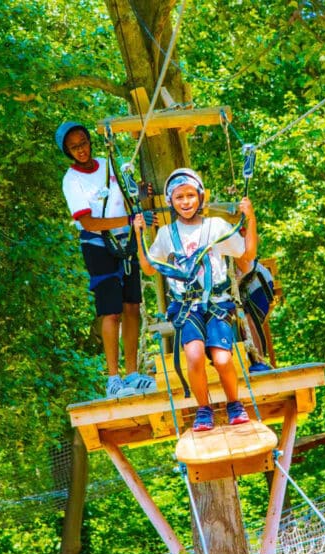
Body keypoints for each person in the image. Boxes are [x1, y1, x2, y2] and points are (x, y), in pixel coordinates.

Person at [132, 168, 257, 431]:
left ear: (200, 197)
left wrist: (250, 218)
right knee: (195, 355)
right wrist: (138, 233)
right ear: (170, 201)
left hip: (217, 303)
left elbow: (247, 252)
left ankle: (235, 403)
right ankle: (203, 409)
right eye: (179, 197)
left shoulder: (216, 227)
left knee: (223, 360)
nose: (186, 202)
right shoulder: (166, 234)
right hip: (187, 308)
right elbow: (148, 267)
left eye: (190, 195)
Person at [55, 121, 156, 398]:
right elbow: (87, 222)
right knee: (111, 311)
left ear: (90, 141)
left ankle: (133, 373)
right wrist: (129, 219)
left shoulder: (108, 165)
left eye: (84, 143)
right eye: (74, 147)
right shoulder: (72, 180)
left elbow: (124, 197)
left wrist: (140, 194)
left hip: (126, 240)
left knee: (132, 306)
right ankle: (114, 378)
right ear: (68, 151)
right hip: (98, 246)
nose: (82, 150)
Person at [236, 255, 276, 371]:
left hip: (258, 284)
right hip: (246, 291)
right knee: (243, 324)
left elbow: (247, 264)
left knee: (248, 320)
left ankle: (260, 361)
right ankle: (255, 361)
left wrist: (237, 281)